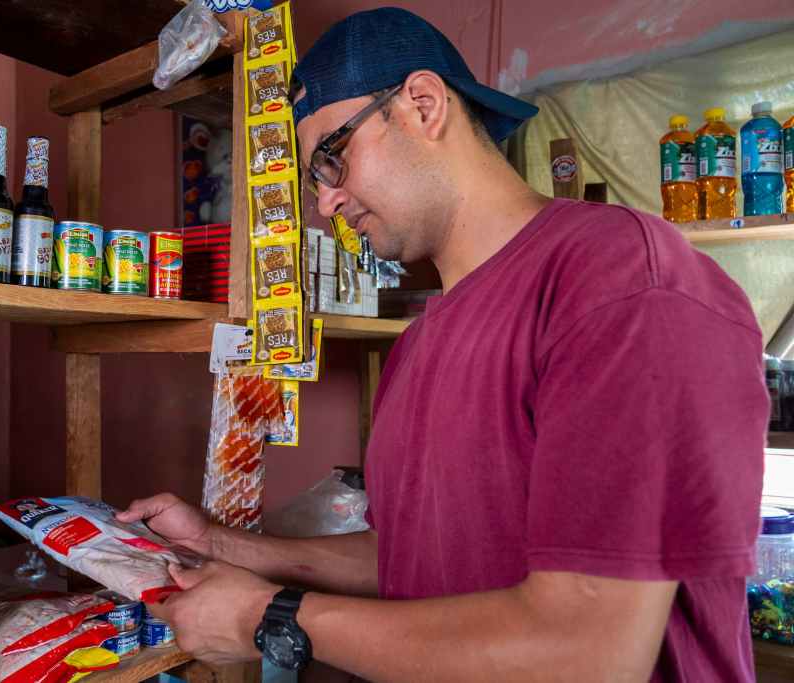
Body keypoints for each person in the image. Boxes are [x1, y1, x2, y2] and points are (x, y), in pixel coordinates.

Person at [118, 8, 767, 681]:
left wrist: (269, 617)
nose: (326, 204)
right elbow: (410, 559)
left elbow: (587, 651)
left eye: (331, 159)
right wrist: (222, 545)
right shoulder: (420, 343)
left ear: (423, 105)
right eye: (314, 181)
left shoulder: (620, 282)